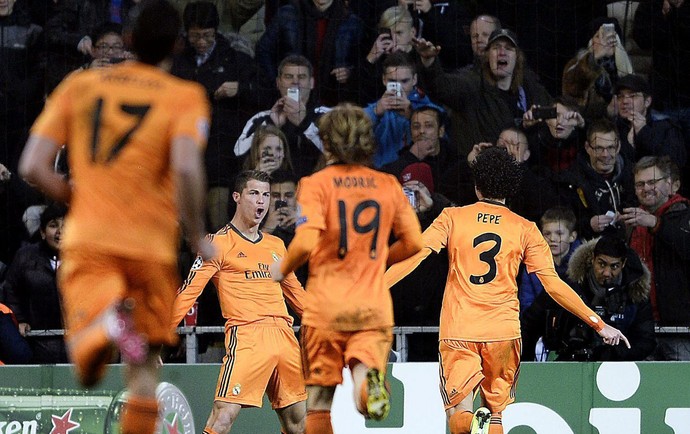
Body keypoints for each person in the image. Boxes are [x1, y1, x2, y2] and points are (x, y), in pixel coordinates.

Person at [18, 2, 214, 434]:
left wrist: (74, 196)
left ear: (127, 41)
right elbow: (185, 168)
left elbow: (32, 166)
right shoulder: (186, 96)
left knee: (90, 362)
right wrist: (198, 234)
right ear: (177, 45)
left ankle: (101, 326)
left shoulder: (80, 85)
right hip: (152, 245)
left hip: (91, 238)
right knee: (144, 365)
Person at [384, 146, 629, 434]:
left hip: (460, 329)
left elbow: (416, 255)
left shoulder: (452, 218)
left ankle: (473, 423)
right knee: (494, 412)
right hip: (503, 332)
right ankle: (484, 423)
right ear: (511, 188)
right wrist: (598, 323)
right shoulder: (525, 229)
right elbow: (553, 284)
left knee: (458, 412)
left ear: (477, 186)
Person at [269, 104, 424, 433]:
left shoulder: (315, 184)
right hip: (372, 306)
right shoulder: (388, 185)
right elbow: (414, 242)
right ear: (368, 143)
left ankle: (361, 387)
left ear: (327, 144)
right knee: (363, 365)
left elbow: (306, 241)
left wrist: (281, 269)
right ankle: (366, 385)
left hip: (325, 307)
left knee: (319, 400)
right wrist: (379, 257)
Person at [171, 170, 307, 434]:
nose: (261, 201)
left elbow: (297, 295)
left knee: (299, 425)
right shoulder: (218, 243)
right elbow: (189, 292)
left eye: (265, 195)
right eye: (254, 193)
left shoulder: (277, 245)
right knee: (222, 419)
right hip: (247, 335)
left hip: (284, 336)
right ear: (236, 196)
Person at [172, 1, 261, 232]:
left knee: (219, 219)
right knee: (182, 228)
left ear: (216, 31)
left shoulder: (234, 58)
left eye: (207, 35)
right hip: (186, 157)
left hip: (221, 159)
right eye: (195, 36)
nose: (201, 42)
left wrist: (240, 89)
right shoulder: (178, 62)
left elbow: (263, 91)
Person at [414, 28, 552, 158]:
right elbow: (442, 87)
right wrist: (429, 61)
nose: (502, 52)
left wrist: (533, 125)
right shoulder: (470, 85)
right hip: (478, 171)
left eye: (508, 48)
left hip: (521, 171)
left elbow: (553, 114)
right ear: (487, 56)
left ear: (517, 58)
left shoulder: (531, 88)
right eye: (496, 47)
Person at [522, 236, 655, 362]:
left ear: (623, 264)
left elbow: (646, 341)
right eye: (602, 264)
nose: (607, 273)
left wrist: (613, 353)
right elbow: (530, 323)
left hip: (619, 369)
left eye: (614, 266)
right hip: (569, 364)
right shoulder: (569, 286)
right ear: (593, 259)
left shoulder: (635, 293)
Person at [621, 155, 690, 360]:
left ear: (669, 184)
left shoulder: (685, 214)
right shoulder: (632, 222)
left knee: (682, 388)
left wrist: (656, 224)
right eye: (640, 184)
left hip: (681, 328)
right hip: (642, 327)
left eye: (652, 182)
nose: (646, 188)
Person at [234, 55, 330, 180]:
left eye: (301, 77)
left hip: (319, 190)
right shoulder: (261, 117)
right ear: (278, 83)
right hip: (275, 192)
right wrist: (270, 124)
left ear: (311, 83)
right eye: (288, 77)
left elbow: (342, 154)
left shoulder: (329, 115)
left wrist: (305, 124)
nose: (295, 82)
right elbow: (238, 155)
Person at [256, 0, 364, 106]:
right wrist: (278, 81)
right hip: (292, 96)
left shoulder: (351, 21)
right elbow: (263, 50)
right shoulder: (287, 14)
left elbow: (360, 60)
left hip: (332, 99)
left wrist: (349, 71)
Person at [3, 203, 69, 363]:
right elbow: (11, 289)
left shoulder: (86, 259)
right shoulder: (25, 257)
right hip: (37, 343)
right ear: (42, 232)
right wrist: (19, 319)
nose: (60, 232)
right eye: (53, 226)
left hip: (76, 343)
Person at [556, 118, 636, 240]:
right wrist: (588, 224)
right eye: (599, 148)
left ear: (618, 146)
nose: (605, 154)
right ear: (588, 148)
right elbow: (562, 222)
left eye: (610, 147)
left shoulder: (633, 174)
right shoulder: (571, 181)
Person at [364, 53, 441, 167]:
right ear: (384, 80)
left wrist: (412, 115)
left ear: (414, 79)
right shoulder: (376, 109)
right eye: (392, 81)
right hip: (382, 175)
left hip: (418, 175)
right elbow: (352, 132)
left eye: (404, 81)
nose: (399, 87)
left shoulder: (431, 110)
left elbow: (438, 144)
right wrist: (375, 113)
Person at [562, 18, 634, 121]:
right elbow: (572, 101)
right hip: (588, 126)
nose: (606, 41)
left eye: (612, 36)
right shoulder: (575, 66)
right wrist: (594, 57)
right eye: (599, 36)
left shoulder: (625, 68)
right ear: (591, 40)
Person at [612, 73, 687, 167]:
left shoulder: (666, 128)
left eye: (632, 96)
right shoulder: (614, 129)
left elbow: (675, 164)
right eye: (620, 96)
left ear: (647, 101)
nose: (624, 101)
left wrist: (643, 132)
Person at [518, 206, 582, 313]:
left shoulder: (584, 265)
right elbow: (526, 305)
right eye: (547, 234)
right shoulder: (532, 265)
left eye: (559, 233)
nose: (552, 239)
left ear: (572, 236)